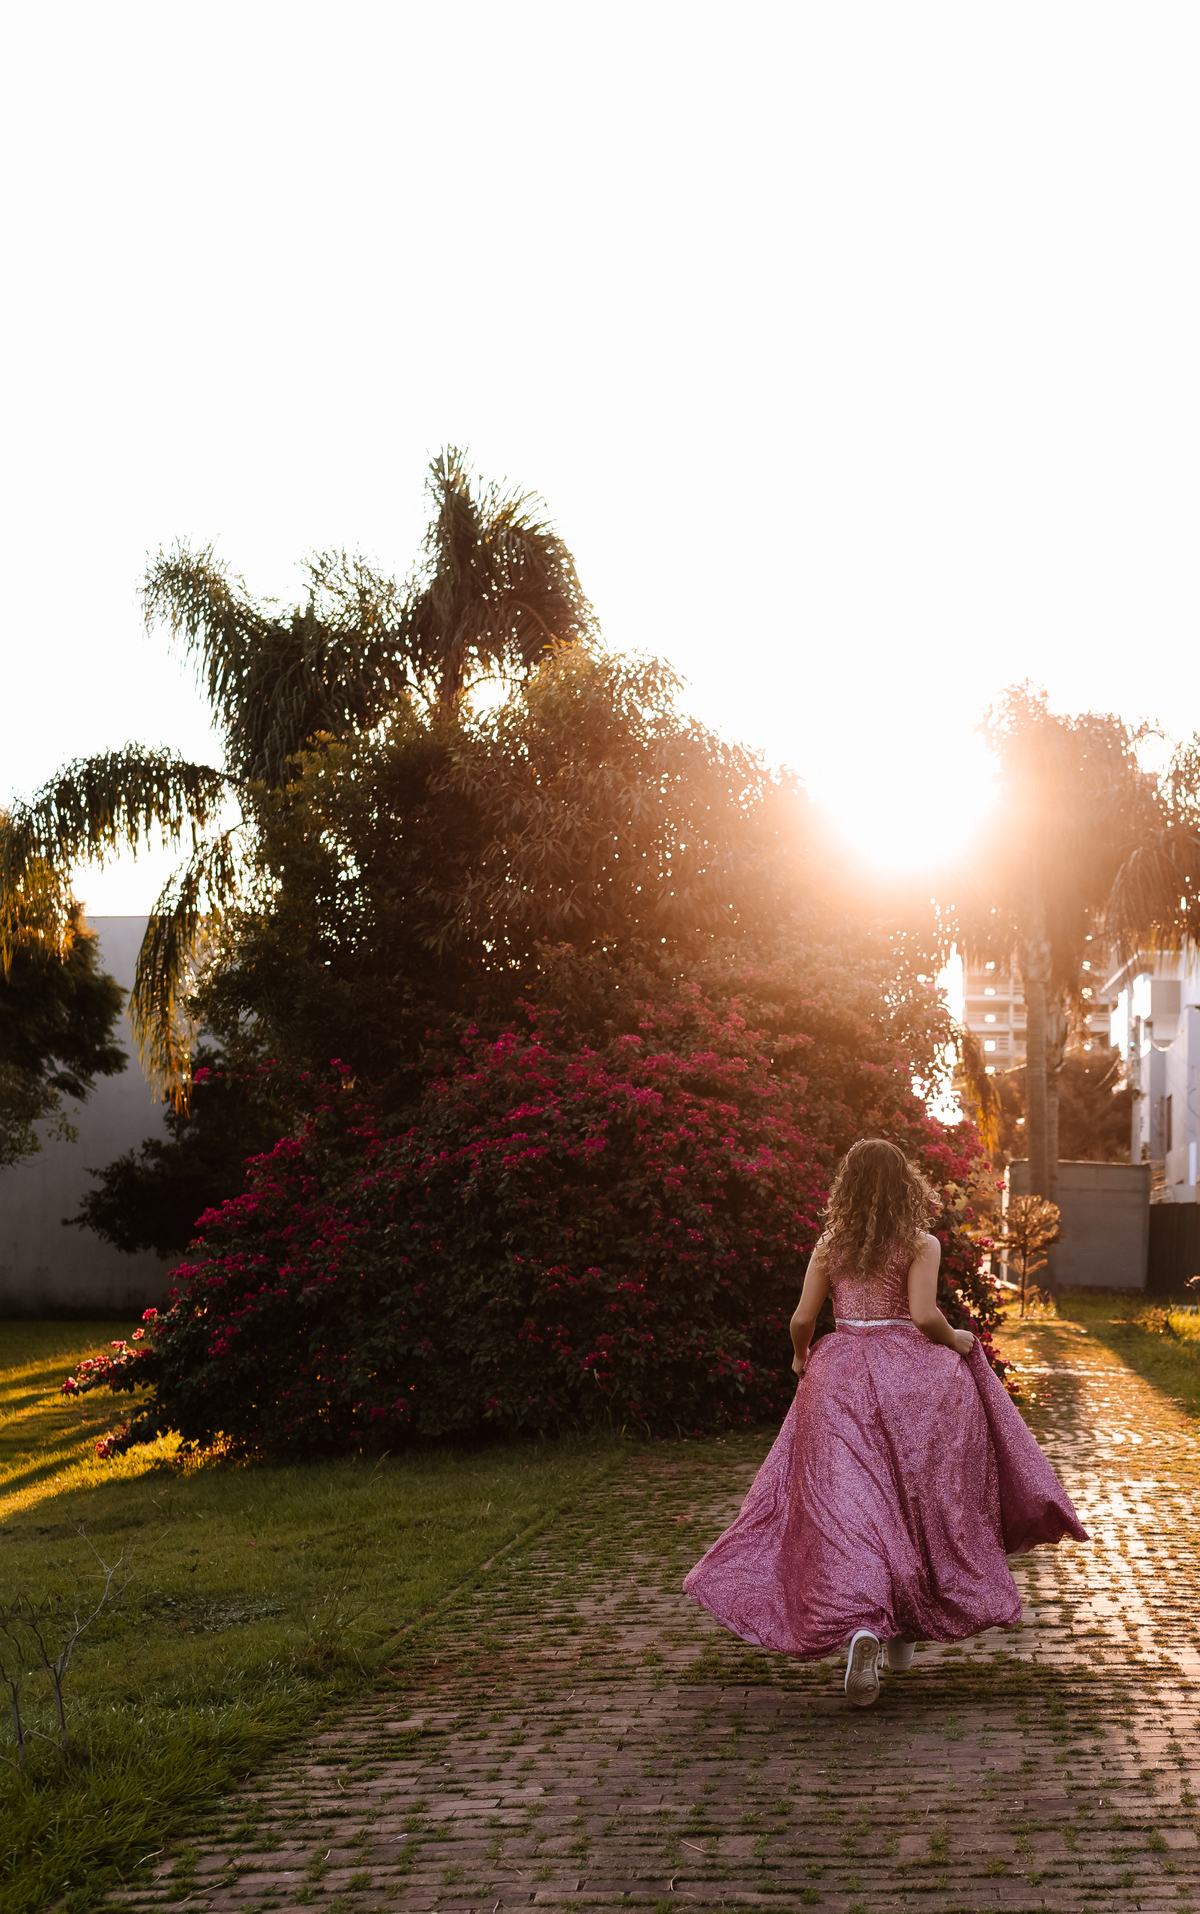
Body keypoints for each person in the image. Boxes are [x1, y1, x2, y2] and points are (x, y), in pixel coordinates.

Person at [683, 1137, 1087, 1707]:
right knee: (913, 1503)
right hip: (913, 1380)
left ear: (847, 1188)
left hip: (840, 1373)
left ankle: (870, 1625)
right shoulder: (921, 1243)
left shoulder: (830, 1246)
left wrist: (801, 1357)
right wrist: (957, 1339)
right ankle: (897, 1623)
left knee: (852, 1506)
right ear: (906, 1187)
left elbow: (803, 1318)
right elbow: (923, 1316)